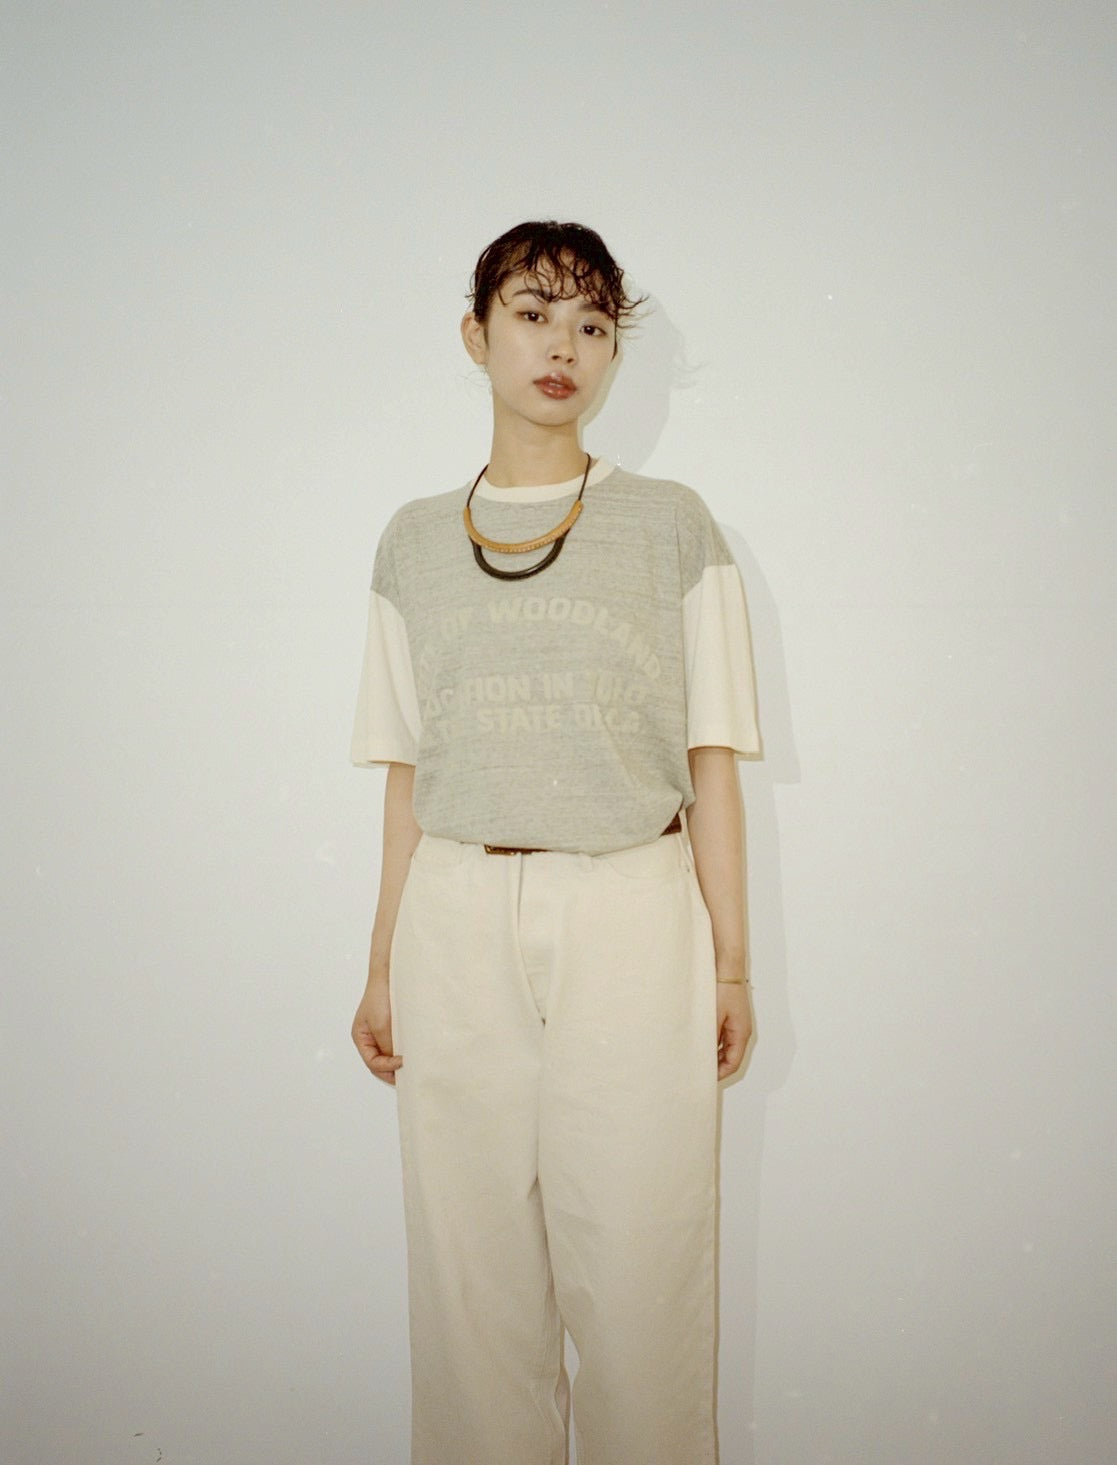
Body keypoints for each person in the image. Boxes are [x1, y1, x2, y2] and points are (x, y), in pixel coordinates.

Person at [349, 220, 760, 1465]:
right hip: (455, 914)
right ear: (476, 336)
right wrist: (379, 962)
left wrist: (730, 963)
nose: (562, 346)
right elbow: (407, 771)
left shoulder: (672, 525)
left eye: (590, 323)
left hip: (630, 907)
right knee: (469, 1278)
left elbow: (711, 761)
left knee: (641, 1267)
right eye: (532, 314)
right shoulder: (412, 540)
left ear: (613, 354)